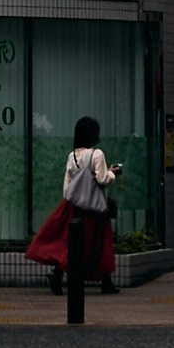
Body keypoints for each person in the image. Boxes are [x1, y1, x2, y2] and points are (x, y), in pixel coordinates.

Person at [28, 116, 120, 298]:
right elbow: (102, 179)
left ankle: (58, 272)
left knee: (73, 245)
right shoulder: (97, 154)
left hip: (76, 208)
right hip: (95, 209)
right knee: (100, 244)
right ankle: (105, 282)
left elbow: (67, 186)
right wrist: (112, 173)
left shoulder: (73, 156)